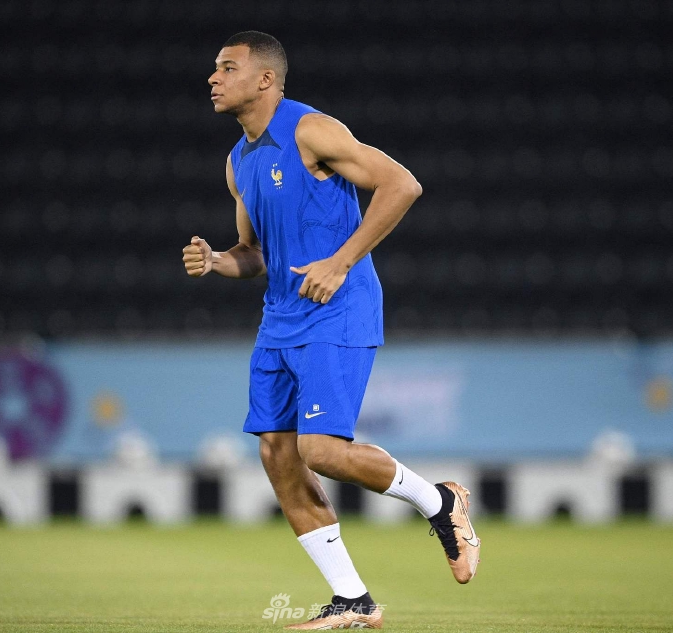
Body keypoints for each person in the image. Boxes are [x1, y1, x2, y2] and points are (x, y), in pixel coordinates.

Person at [182, 31, 480, 630]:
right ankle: (353, 600)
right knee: (278, 454)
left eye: (227, 67)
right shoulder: (238, 161)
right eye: (215, 68)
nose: (213, 77)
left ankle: (439, 501)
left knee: (320, 451)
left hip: (338, 310)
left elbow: (402, 184)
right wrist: (218, 260)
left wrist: (340, 262)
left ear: (265, 79)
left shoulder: (310, 130)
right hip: (280, 319)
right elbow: (254, 253)